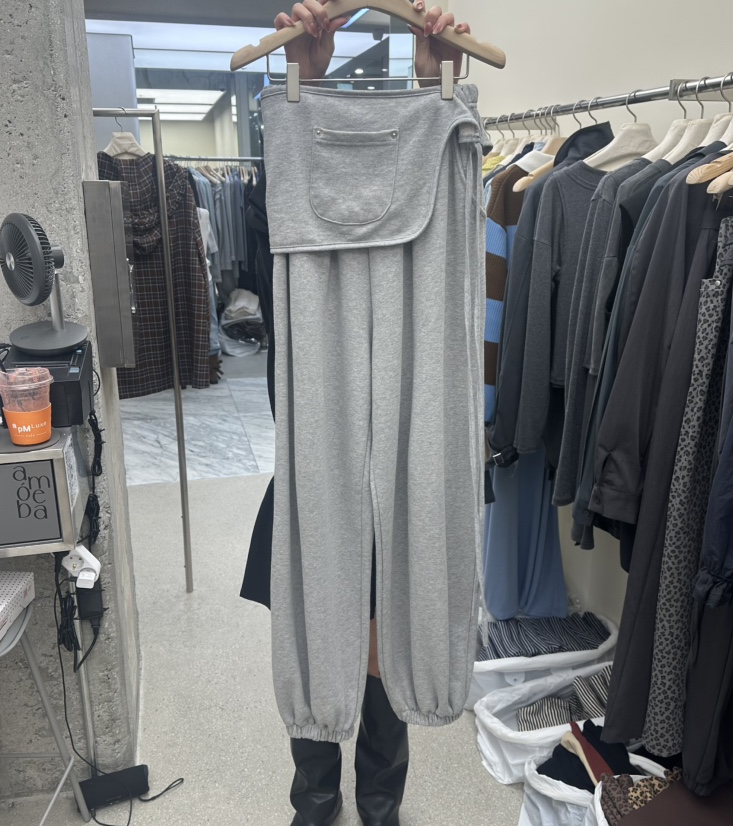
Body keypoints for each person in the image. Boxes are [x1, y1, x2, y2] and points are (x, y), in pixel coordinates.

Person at [267, 5, 473, 825]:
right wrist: (307, 82)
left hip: (405, 406)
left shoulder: (448, 132)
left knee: (399, 589)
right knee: (320, 586)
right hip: (316, 426)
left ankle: (380, 799)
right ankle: (317, 798)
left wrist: (434, 84)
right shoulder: (287, 128)